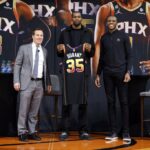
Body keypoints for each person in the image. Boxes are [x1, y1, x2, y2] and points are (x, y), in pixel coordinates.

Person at [93, 0, 150, 136]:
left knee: (130, 104)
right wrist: (96, 74)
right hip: (117, 69)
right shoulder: (107, 9)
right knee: (116, 102)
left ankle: (128, 131)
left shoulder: (147, 8)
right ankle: (118, 131)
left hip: (139, 69)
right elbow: (97, 45)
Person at [57, 11, 95, 140]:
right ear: (71, 18)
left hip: (83, 72)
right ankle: (64, 130)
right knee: (66, 102)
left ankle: (83, 130)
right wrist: (59, 49)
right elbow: (58, 52)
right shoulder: (64, 32)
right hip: (68, 73)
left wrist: (90, 50)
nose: (77, 18)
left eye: (79, 16)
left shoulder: (88, 33)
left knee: (83, 102)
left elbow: (93, 53)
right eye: (75, 17)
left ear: (81, 18)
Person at [95, 16, 132, 142]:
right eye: (109, 21)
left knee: (124, 102)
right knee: (110, 103)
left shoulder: (123, 36)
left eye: (113, 21)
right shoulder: (104, 38)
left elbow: (129, 56)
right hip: (108, 74)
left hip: (121, 74)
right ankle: (113, 132)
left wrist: (128, 72)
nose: (111, 23)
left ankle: (126, 132)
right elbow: (102, 58)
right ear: (107, 23)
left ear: (117, 23)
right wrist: (98, 74)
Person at [13, 28, 51, 142]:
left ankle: (32, 131)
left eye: (42, 35)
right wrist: (16, 81)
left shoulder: (44, 51)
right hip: (26, 82)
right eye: (38, 35)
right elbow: (17, 65)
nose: (40, 37)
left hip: (39, 83)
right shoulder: (24, 48)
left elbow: (46, 69)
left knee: (34, 111)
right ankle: (22, 132)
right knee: (23, 109)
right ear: (33, 36)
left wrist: (48, 82)